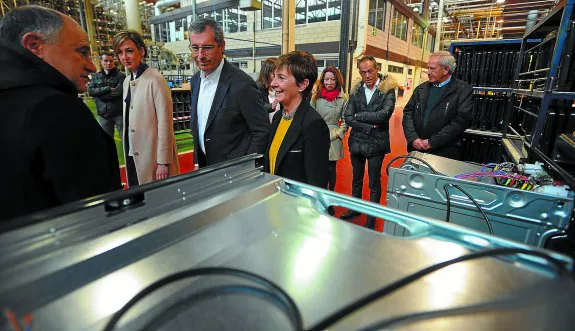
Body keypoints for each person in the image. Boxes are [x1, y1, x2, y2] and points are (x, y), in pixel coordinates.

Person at [0, 6, 121, 221]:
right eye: (82, 51)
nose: (91, 66)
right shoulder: (54, 109)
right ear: (34, 45)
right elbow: (96, 215)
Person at [188, 18, 269, 168]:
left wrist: (246, 167)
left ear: (222, 46)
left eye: (207, 47)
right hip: (206, 168)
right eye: (195, 48)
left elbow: (262, 131)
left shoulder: (242, 85)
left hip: (234, 172)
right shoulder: (195, 81)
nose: (200, 55)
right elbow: (201, 127)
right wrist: (197, 160)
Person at [113, 30, 180, 186]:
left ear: (141, 51)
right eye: (120, 53)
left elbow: (165, 123)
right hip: (133, 152)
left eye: (129, 51)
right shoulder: (127, 80)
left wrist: (163, 162)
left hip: (153, 156)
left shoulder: (155, 79)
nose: (124, 57)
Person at [340, 56, 398, 230]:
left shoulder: (387, 89)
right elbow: (348, 117)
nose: (367, 75)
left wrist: (360, 116)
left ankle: (372, 216)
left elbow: (383, 115)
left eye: (370, 71)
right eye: (363, 72)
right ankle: (355, 208)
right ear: (359, 72)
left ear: (377, 68)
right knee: (356, 179)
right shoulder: (356, 90)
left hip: (376, 143)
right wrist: (368, 125)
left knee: (374, 182)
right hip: (357, 142)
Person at [264, 51, 330, 188]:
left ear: (302, 85)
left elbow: (316, 184)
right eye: (274, 76)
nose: (273, 83)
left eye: (281, 78)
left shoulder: (313, 125)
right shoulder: (278, 117)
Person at [403, 51, 473, 159]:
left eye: (432, 68)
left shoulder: (463, 90)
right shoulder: (420, 89)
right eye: (428, 68)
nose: (428, 72)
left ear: (446, 69)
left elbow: (460, 122)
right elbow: (408, 113)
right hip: (417, 150)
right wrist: (413, 138)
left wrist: (432, 142)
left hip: (444, 154)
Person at [310, 66, 348, 194]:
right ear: (322, 80)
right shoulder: (315, 97)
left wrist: (338, 133)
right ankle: (319, 194)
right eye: (326, 79)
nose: (329, 83)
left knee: (331, 169)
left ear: (337, 81)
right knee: (318, 168)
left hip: (334, 136)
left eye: (332, 79)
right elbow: (310, 117)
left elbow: (345, 120)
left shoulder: (343, 99)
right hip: (317, 135)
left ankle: (330, 195)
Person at [88, 52, 126, 140]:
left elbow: (118, 92)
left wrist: (100, 96)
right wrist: (108, 88)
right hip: (103, 115)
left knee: (125, 140)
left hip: (119, 113)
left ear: (114, 62)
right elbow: (91, 91)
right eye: (106, 61)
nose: (108, 63)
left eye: (111, 61)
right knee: (107, 142)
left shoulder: (121, 76)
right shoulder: (96, 77)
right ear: (101, 61)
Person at [257, 57, 282, 122]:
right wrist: (270, 106)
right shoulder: (257, 88)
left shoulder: (275, 87)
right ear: (267, 72)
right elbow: (255, 110)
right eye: (274, 75)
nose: (277, 78)